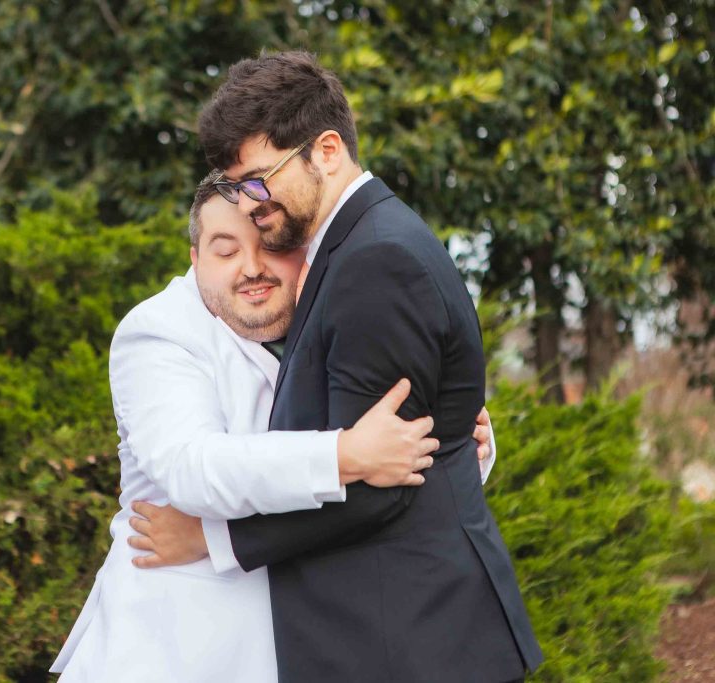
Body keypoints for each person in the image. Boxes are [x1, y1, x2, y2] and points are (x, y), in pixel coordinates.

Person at [129, 52, 543, 682]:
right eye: (238, 187)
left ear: (325, 150)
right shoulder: (355, 250)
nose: (250, 203)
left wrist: (218, 542)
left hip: (405, 642)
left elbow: (381, 486)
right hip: (397, 637)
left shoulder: (373, 262)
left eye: (258, 179)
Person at [49, 175, 497, 682]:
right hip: (171, 649)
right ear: (195, 259)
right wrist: (345, 455)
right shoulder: (158, 332)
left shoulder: (335, 314)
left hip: (296, 645)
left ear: (303, 252)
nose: (252, 268)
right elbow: (191, 468)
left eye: (270, 246)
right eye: (225, 251)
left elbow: (404, 451)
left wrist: (461, 439)